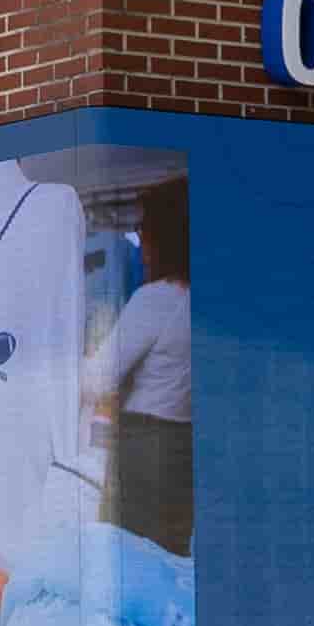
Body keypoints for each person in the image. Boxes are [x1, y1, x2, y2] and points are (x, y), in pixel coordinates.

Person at [86, 232, 195, 557]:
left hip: (143, 448)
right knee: (170, 556)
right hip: (183, 445)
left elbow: (98, 378)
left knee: (125, 553)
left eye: (147, 236)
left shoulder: (157, 298)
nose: (144, 250)